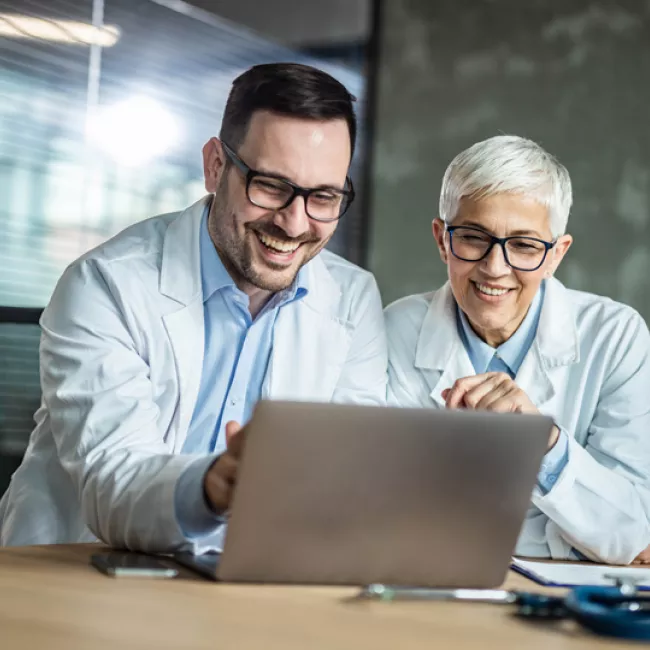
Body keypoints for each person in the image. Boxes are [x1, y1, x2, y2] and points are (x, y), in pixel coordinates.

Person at [0, 63, 387, 553]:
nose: (294, 222)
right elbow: (110, 481)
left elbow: (348, 478)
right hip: (74, 574)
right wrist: (211, 485)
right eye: (270, 185)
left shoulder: (353, 301)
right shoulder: (105, 284)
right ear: (215, 166)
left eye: (324, 197)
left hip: (248, 587)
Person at [385, 135, 650, 564]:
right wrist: (570, 536)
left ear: (556, 255)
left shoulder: (616, 337)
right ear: (441, 239)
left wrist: (541, 443)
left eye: (525, 245)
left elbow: (636, 532)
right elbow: (384, 513)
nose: (495, 267)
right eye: (473, 237)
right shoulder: (397, 329)